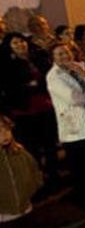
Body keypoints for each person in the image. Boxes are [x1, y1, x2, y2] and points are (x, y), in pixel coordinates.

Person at [46, 42, 85, 207]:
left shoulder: (80, 68)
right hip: (75, 126)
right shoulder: (54, 76)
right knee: (81, 165)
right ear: (53, 58)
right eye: (60, 54)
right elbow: (74, 98)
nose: (65, 56)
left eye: (66, 52)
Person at [0, 33, 58, 180]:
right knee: (32, 147)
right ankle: (37, 178)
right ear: (10, 47)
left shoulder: (37, 59)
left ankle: (53, 174)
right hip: (25, 112)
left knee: (50, 144)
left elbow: (49, 79)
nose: (20, 45)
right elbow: (11, 89)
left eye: (22, 41)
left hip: (46, 107)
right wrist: (30, 86)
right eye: (15, 43)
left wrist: (34, 85)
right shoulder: (7, 65)